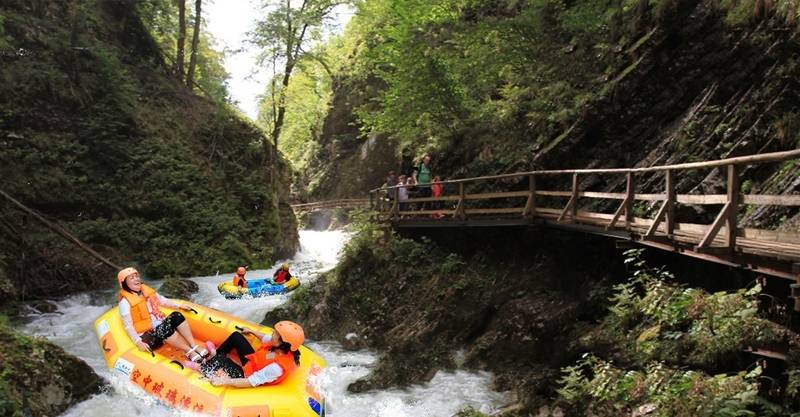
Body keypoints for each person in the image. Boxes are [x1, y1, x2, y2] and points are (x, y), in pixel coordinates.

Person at [117, 267, 209, 362]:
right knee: (162, 328)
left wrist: (179, 306)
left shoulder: (146, 291)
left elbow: (163, 301)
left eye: (136, 276)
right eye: (131, 278)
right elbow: (128, 326)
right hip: (148, 337)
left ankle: (193, 345)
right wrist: (138, 342)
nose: (136, 279)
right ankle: (189, 351)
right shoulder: (125, 303)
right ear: (124, 284)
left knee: (177, 316)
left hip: (159, 327)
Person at [197, 321, 305, 387]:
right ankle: (215, 354)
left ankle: (202, 367)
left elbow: (250, 381)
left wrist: (225, 381)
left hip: (247, 375)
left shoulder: (275, 368)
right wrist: (252, 331)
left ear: (284, 343)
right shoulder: (280, 347)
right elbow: (265, 338)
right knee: (236, 336)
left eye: (276, 334)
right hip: (254, 362)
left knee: (219, 360)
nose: (272, 334)